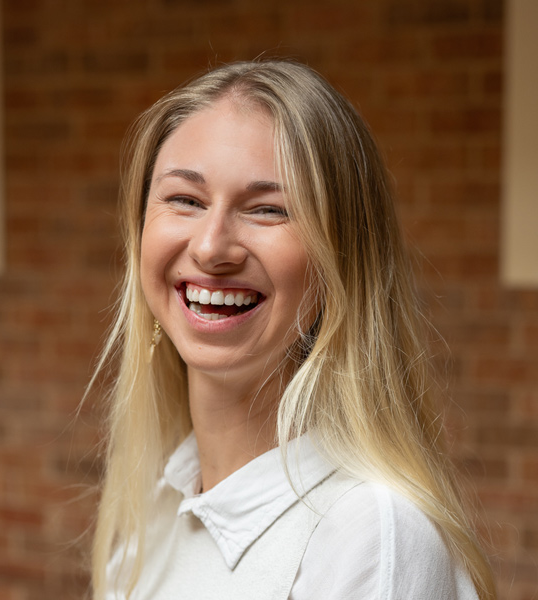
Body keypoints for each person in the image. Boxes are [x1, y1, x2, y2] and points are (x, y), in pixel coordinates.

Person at [90, 60, 495, 599]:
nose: (211, 248)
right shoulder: (154, 515)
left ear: (342, 262)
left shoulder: (371, 534)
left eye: (267, 210)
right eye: (185, 199)